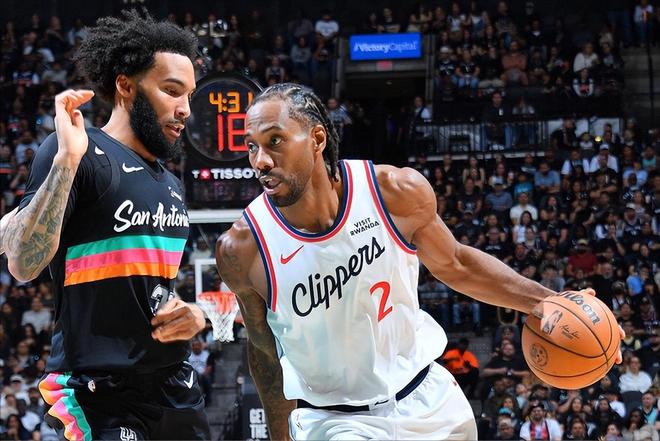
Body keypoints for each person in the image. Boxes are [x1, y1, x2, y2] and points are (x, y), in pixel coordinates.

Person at [215, 83, 623, 440]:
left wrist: (548, 302)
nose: (260, 160)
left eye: (275, 141)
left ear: (317, 138)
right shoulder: (242, 248)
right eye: (251, 146)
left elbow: (457, 264)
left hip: (428, 400)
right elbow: (264, 353)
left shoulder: (392, 192)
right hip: (336, 421)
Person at [0, 12, 210, 440]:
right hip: (100, 393)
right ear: (126, 86)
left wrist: (192, 313)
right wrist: (66, 161)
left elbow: (149, 288)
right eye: (172, 91)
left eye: (189, 95)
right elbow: (23, 264)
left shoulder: (171, 185)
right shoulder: (79, 151)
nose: (185, 109)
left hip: (174, 385)